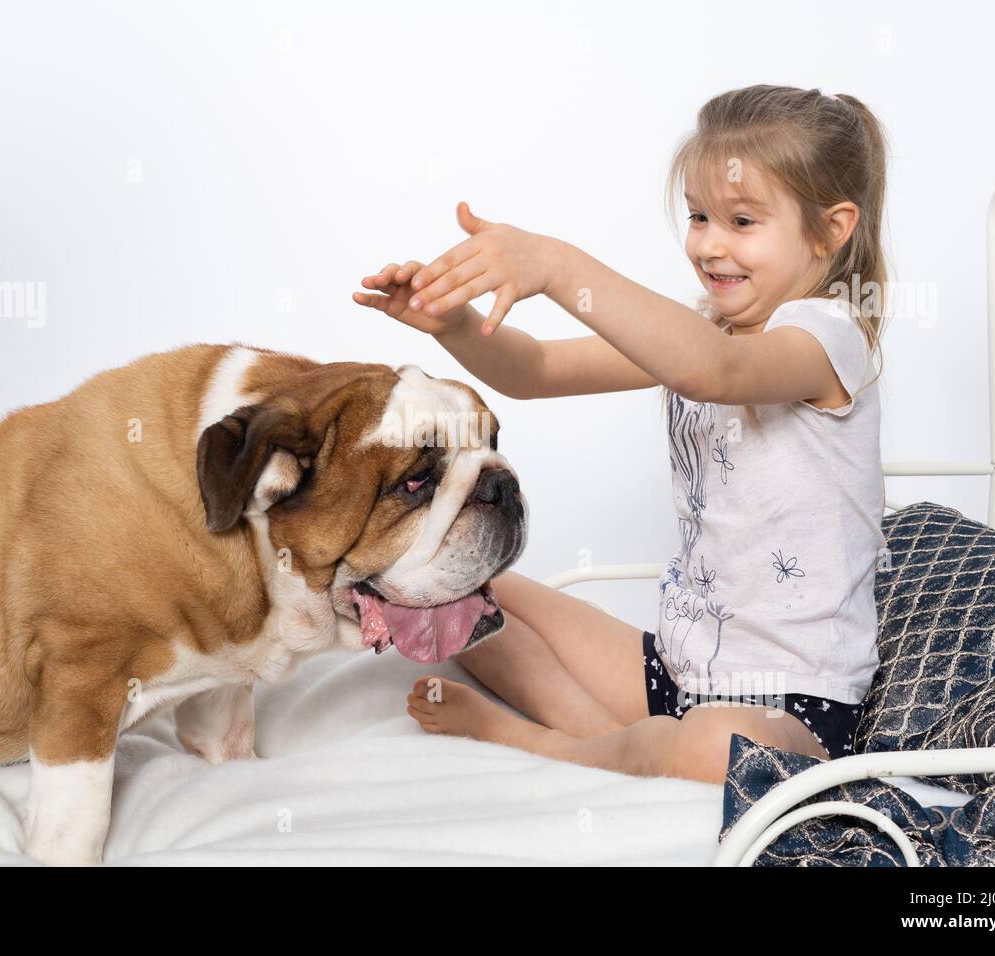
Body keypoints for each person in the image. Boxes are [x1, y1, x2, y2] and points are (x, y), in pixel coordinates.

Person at [351, 84, 890, 785]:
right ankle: (625, 743)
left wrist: (557, 267)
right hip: (677, 670)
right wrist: (451, 324)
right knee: (456, 588)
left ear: (831, 229)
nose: (709, 244)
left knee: (716, 742)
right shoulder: (707, 332)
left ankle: (556, 747)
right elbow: (536, 369)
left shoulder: (830, 336)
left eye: (742, 220)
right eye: (699, 216)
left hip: (787, 705)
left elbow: (714, 372)